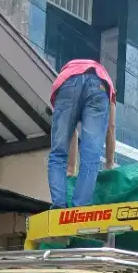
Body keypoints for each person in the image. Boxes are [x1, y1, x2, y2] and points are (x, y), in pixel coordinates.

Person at [48, 59, 117, 208]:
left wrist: (71, 168)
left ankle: (58, 205)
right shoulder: (107, 81)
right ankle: (79, 207)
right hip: (98, 86)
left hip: (67, 83)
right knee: (91, 155)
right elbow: (110, 126)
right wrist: (110, 162)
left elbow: (70, 131)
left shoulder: (69, 71)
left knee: (58, 153)